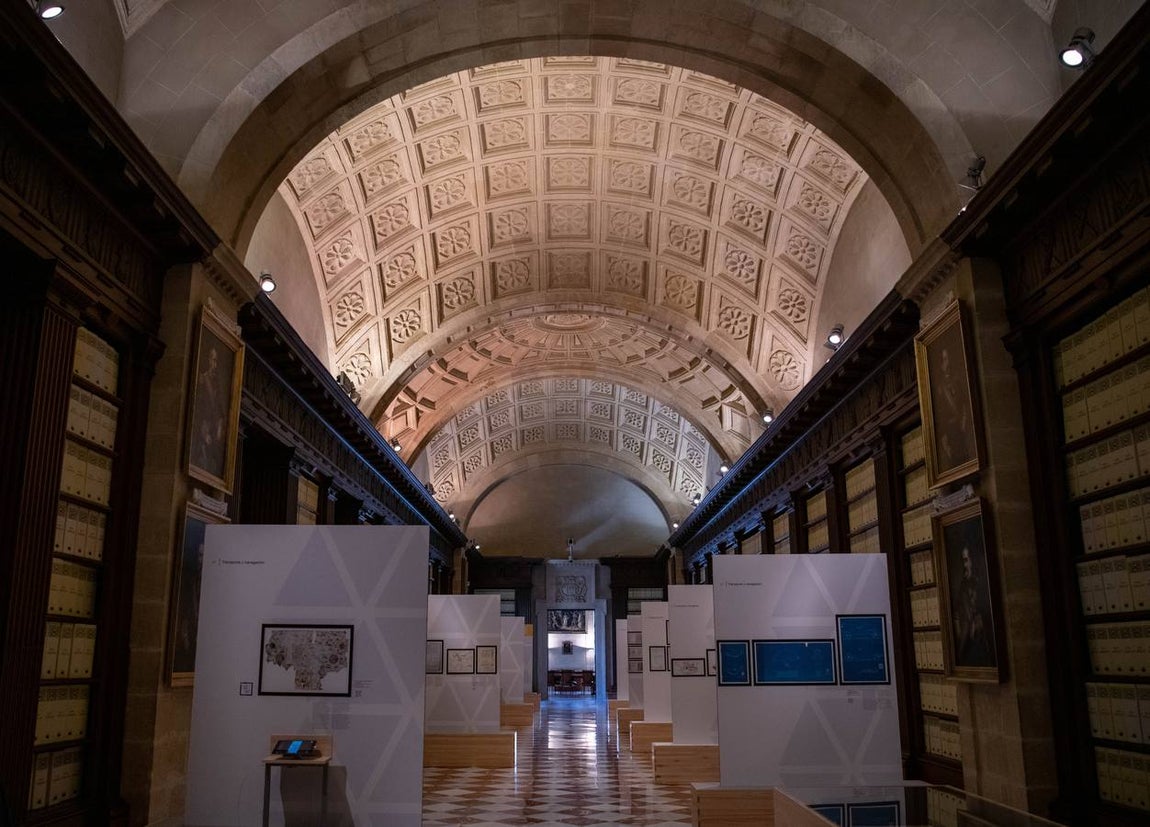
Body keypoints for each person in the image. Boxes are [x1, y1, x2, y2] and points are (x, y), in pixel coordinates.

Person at [952, 545, 993, 667]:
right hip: (971, 639)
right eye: (964, 560)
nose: (965, 565)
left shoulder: (982, 583)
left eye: (967, 560)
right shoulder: (964, 586)